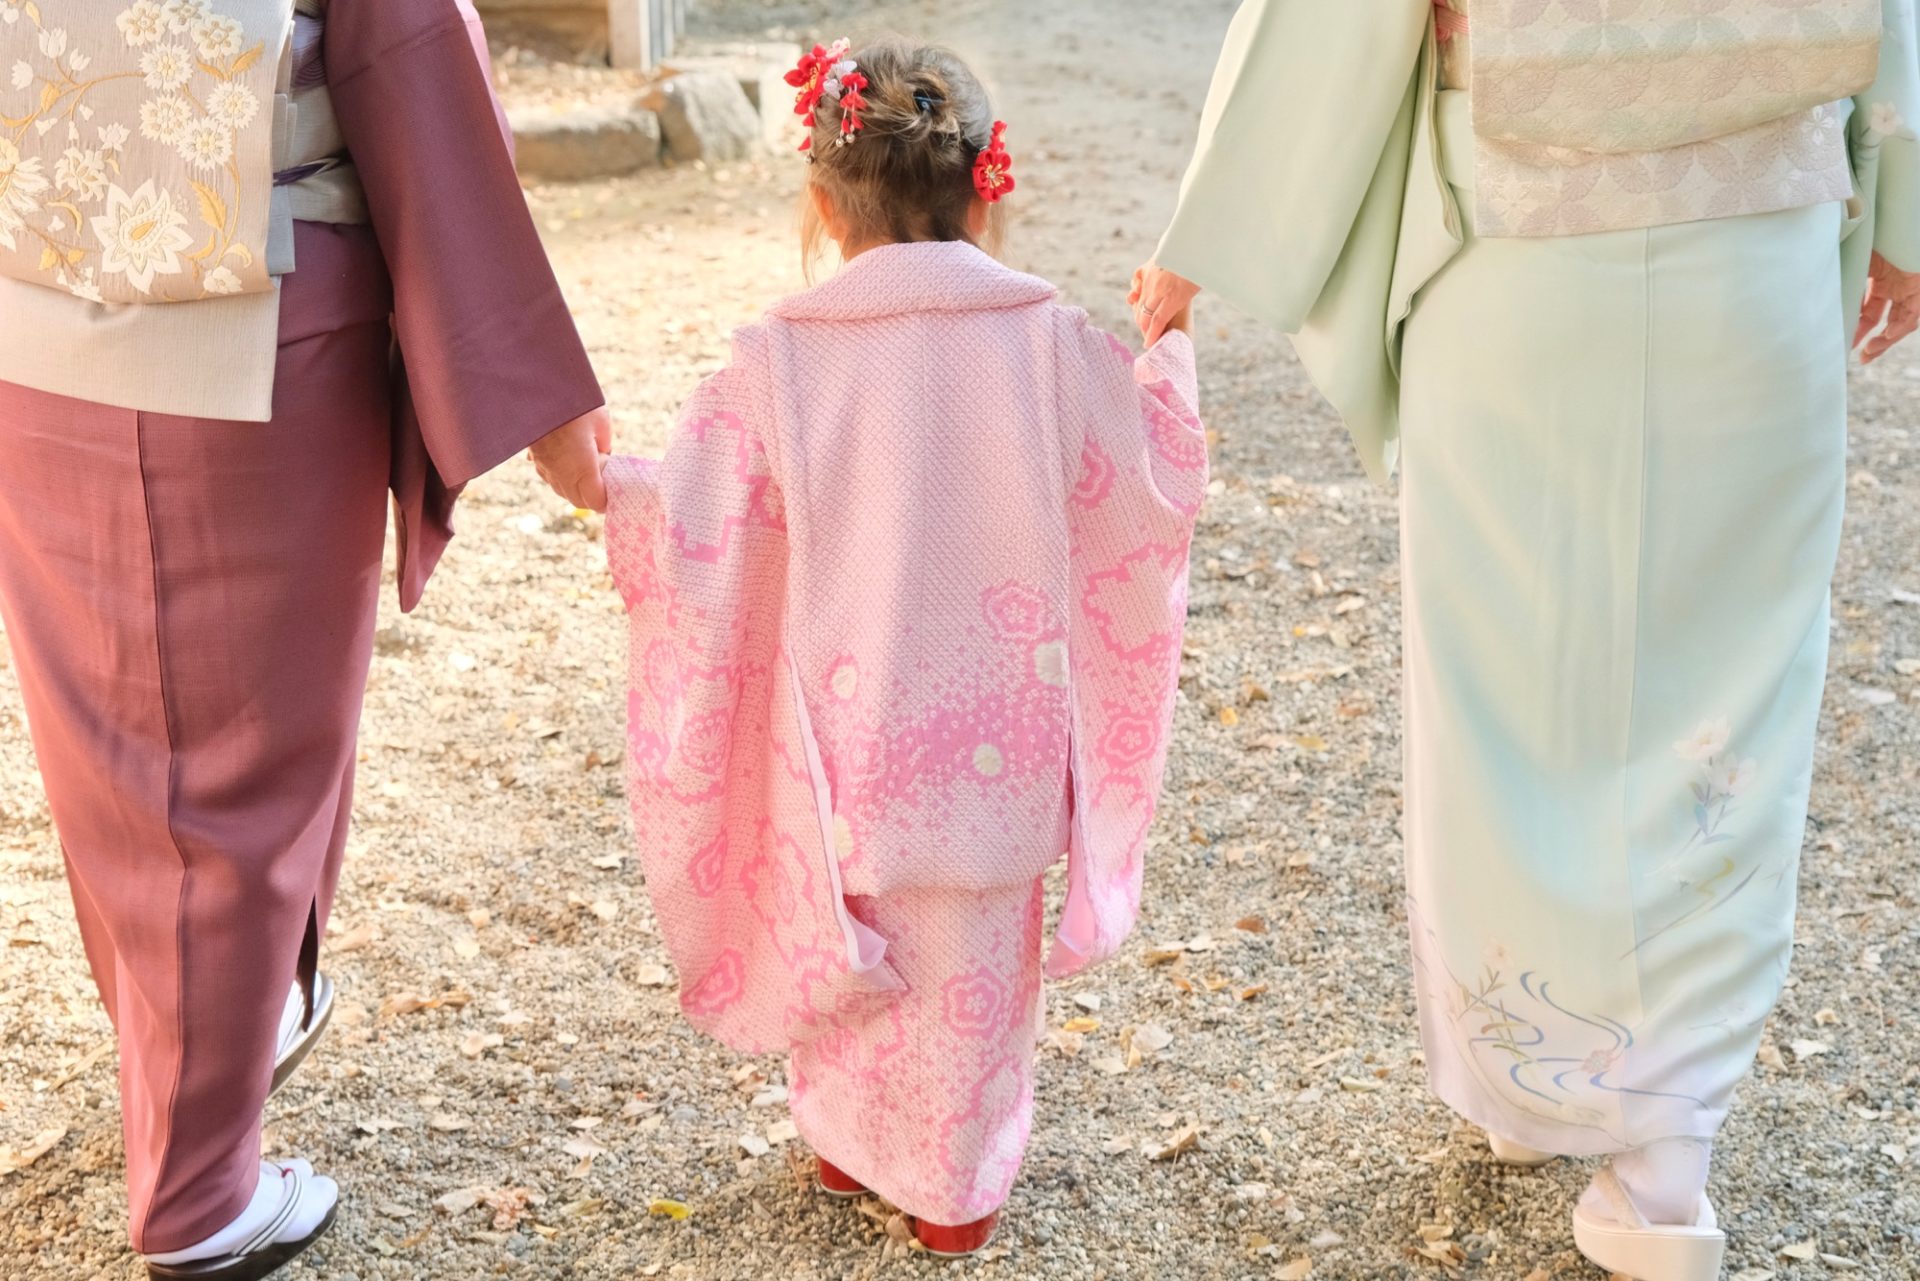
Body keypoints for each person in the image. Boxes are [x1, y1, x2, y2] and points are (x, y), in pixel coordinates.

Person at [1132, 3, 1920, 1279]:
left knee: (1513, 680)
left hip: (1527, 250)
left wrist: (1210, 229)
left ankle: (1538, 1064)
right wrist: (1909, 203)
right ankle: (1660, 1169)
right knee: (1729, 688)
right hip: (1754, 233)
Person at [0, 2, 607, 1276]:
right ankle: (200, 1196)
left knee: (114, 752)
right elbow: (412, 53)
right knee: (236, 767)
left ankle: (212, 1047)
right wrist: (544, 400)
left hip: (33, 311)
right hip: (244, 322)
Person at [604, 38, 1206, 1259]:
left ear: (822, 206)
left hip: (849, 730)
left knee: (849, 942)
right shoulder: (1046, 338)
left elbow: (699, 532)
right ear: (991, 187)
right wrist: (1170, 343)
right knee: (975, 973)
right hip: (1005, 731)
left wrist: (607, 486)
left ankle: (846, 1144)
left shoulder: (777, 359)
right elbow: (1146, 485)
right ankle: (955, 1189)